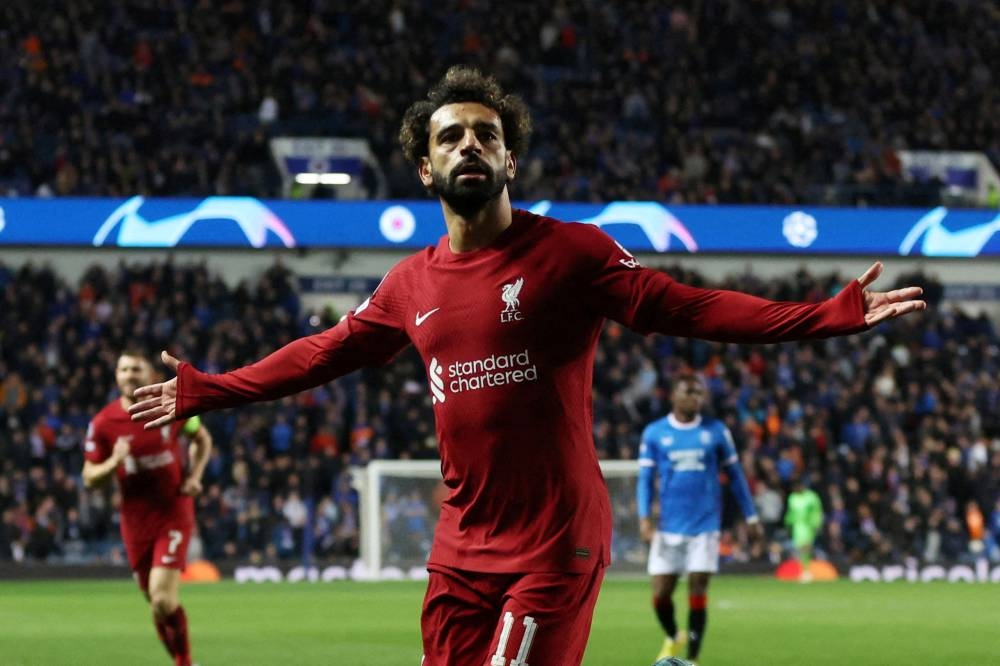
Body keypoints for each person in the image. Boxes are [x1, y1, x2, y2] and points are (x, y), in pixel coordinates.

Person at [128, 66, 925, 665]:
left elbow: (687, 307)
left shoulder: (570, 253)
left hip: (555, 541)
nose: (469, 144)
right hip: (460, 550)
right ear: (425, 170)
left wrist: (828, 314)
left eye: (486, 134)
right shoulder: (410, 283)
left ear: (510, 161)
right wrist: (210, 389)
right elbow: (324, 353)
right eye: (450, 137)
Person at [83, 350, 212, 666]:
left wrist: (195, 476)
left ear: (150, 375)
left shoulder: (170, 405)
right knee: (155, 603)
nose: (129, 375)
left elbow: (202, 438)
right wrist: (114, 461)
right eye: (124, 369)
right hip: (135, 520)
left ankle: (184, 662)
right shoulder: (103, 423)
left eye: (136, 369)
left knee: (163, 597)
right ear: (116, 375)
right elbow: (89, 477)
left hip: (173, 511)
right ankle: (182, 661)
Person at [638, 374, 763, 665]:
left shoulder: (716, 431)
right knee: (661, 594)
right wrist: (645, 517)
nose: (694, 397)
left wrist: (752, 516)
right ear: (674, 395)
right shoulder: (655, 433)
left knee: (697, 586)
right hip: (669, 526)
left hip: (705, 525)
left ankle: (692, 659)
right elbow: (645, 479)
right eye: (688, 392)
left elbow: (736, 477)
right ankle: (673, 635)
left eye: (698, 393)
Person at [784, 476, 824, 582]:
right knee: (800, 549)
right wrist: (788, 523)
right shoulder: (792, 497)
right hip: (797, 526)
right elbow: (790, 512)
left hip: (808, 526)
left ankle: (806, 571)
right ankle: (804, 570)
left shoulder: (812, 497)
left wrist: (817, 524)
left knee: (806, 548)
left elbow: (817, 511)